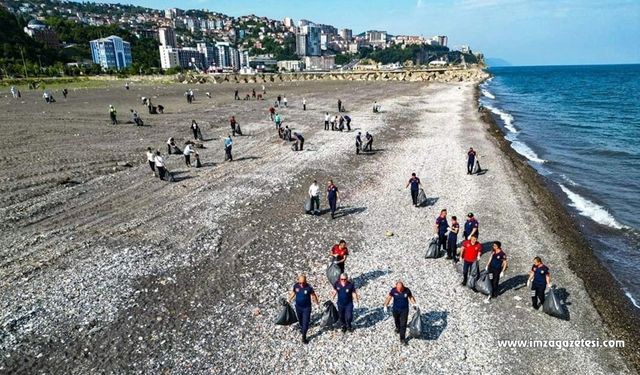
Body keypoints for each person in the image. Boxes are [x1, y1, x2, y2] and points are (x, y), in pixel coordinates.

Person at [383, 281, 417, 345]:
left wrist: (414, 304)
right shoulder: (393, 290)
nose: (399, 290)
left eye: (401, 288)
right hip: (395, 309)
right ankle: (397, 328)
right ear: (396, 287)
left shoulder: (407, 290)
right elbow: (389, 298)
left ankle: (402, 339)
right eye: (398, 288)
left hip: (404, 310)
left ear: (403, 286)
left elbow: (411, 297)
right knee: (396, 320)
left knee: (403, 324)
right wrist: (385, 305)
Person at [288, 275, 320, 344]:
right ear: (298, 281)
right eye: (300, 283)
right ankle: (302, 328)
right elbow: (294, 293)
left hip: (306, 308)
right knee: (300, 320)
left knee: (305, 322)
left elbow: (313, 295)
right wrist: (289, 300)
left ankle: (304, 337)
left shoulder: (309, 288)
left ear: (306, 281)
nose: (301, 284)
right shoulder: (296, 286)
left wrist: (317, 303)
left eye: (303, 283)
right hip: (298, 307)